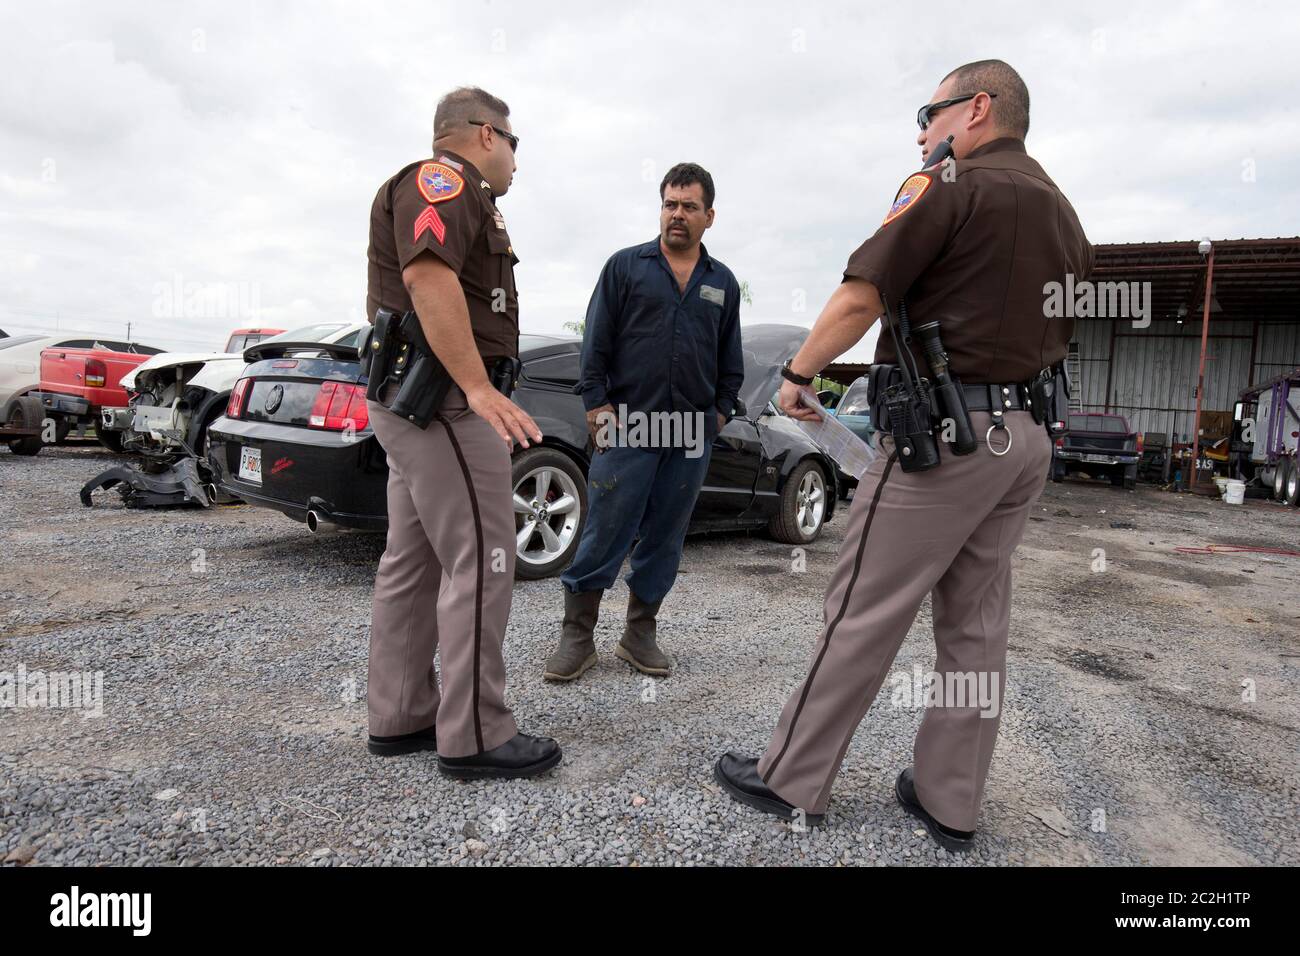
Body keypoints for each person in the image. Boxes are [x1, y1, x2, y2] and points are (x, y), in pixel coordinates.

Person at [714, 60, 1093, 850]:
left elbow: (863, 293)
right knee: (977, 622)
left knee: (863, 606)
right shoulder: (1065, 214)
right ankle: (951, 801)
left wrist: (793, 375)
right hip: (1023, 442)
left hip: (945, 442)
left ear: (977, 109)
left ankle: (792, 778)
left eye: (930, 112)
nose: (922, 131)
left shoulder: (948, 185)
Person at [364, 86, 561, 779]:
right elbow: (428, 277)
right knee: (484, 555)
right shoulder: (446, 181)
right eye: (514, 143)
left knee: (412, 563)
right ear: (485, 135)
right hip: (441, 401)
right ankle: (476, 733)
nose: (516, 159)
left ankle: (401, 713)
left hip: (415, 404)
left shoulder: (460, 192)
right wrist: (477, 389)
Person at [543, 163, 745, 682]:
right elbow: (597, 342)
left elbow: (731, 359)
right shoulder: (625, 267)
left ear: (709, 216)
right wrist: (596, 406)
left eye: (689, 206)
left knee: (666, 533)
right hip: (627, 424)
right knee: (606, 526)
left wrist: (719, 412)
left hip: (691, 432)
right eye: (670, 204)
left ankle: (640, 634)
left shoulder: (721, 282)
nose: (678, 215)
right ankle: (578, 636)